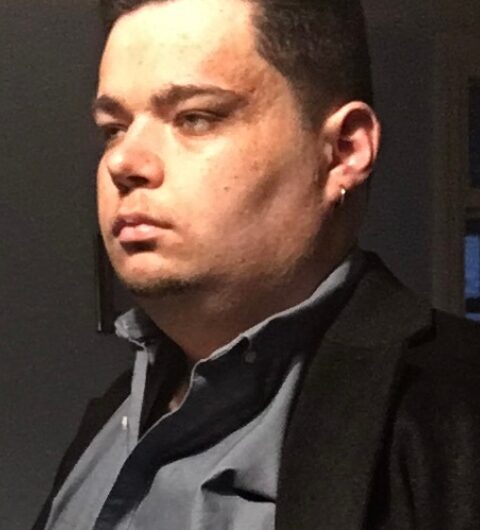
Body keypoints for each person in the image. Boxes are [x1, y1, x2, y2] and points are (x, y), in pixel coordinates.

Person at [33, 0, 480, 528]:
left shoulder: (456, 415)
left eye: (195, 118)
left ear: (343, 151)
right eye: (114, 127)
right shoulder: (110, 418)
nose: (122, 161)